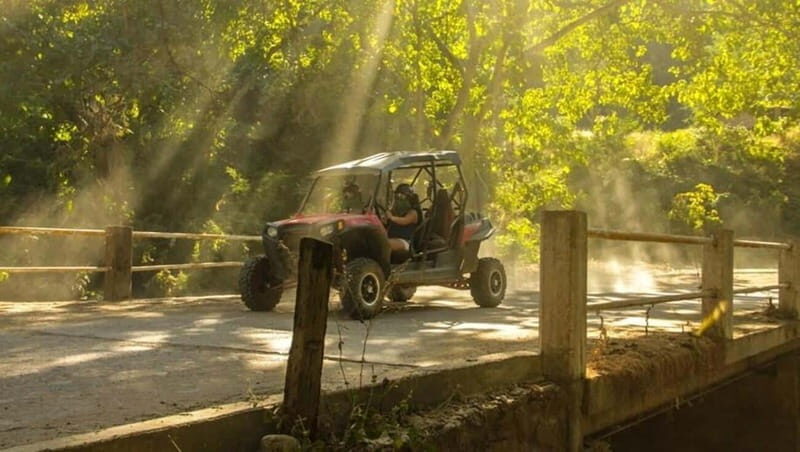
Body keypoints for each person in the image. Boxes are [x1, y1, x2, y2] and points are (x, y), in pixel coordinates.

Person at [386, 183, 420, 254]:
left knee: (384, 244)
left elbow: (404, 221)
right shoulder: (396, 212)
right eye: (396, 199)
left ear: (409, 199)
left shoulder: (413, 212)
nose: (398, 202)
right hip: (392, 238)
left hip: (405, 242)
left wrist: (391, 217)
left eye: (401, 198)